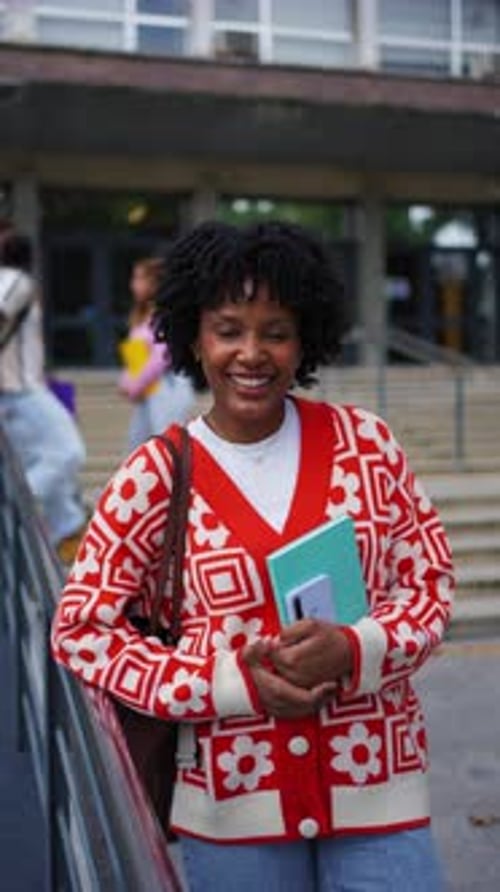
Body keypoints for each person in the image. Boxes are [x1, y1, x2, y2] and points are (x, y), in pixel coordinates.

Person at [51, 220, 454, 891]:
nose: (252, 352)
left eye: (276, 330)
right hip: (233, 808)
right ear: (192, 337)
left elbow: (430, 584)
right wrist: (229, 685)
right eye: (229, 328)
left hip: (378, 796)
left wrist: (355, 648)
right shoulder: (155, 474)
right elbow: (81, 631)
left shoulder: (366, 444)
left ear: (306, 339)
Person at [0, 229, 87, 565]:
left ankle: (62, 530)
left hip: (22, 392)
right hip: (20, 393)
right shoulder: (14, 279)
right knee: (68, 454)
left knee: (43, 466)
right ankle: (19, 512)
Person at [118, 255, 195, 452]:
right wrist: (126, 381)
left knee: (168, 449)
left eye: (138, 278)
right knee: (138, 450)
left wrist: (134, 384)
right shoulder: (141, 316)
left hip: (165, 388)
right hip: (147, 392)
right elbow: (136, 357)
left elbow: (161, 357)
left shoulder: (165, 316)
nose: (132, 284)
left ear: (154, 283)